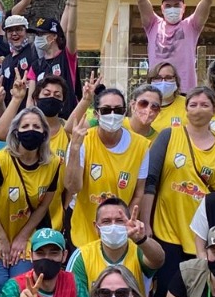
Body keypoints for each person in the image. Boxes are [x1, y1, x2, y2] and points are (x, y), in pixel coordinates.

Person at [140, 86, 215, 297]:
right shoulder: (169, 135)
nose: (198, 109)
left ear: (214, 110)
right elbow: (150, 181)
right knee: (165, 292)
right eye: (193, 104)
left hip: (202, 234)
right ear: (185, 109)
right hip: (167, 230)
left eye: (205, 105)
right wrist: (146, 223)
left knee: (196, 295)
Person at [0, 107, 65, 297]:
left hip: (25, 227)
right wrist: (2, 239)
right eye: (25, 126)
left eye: (36, 126)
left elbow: (43, 206)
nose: (31, 130)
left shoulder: (54, 163)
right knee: (0, 282)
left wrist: (22, 237)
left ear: (44, 133)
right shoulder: (0, 161)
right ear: (16, 132)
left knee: (19, 282)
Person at [65, 87, 151, 248]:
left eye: (118, 110)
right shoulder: (83, 140)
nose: (112, 115)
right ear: (96, 114)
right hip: (83, 229)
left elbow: (138, 193)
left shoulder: (141, 146)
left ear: (125, 112)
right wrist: (75, 149)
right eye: (106, 110)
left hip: (118, 230)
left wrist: (125, 224)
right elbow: (72, 187)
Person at [136, 0, 213, 93]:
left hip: (185, 91)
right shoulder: (153, 24)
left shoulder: (191, 26)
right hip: (157, 90)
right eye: (168, 5)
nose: (172, 8)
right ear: (162, 8)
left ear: (184, 8)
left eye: (177, 5)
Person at [67, 196, 165, 297]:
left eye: (119, 221)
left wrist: (142, 240)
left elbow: (158, 260)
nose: (113, 226)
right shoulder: (82, 256)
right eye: (106, 221)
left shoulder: (140, 250)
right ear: (96, 227)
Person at [0, 74, 72, 168]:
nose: (51, 98)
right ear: (35, 99)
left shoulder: (69, 130)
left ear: (63, 103)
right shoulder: (25, 126)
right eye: (46, 94)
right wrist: (17, 98)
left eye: (57, 95)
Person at [30, 16, 78, 98]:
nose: (37, 38)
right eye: (37, 34)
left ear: (54, 36)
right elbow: (31, 99)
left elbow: (70, 31)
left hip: (67, 106)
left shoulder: (66, 56)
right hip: (43, 107)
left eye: (41, 34)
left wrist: (72, 7)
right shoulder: (36, 65)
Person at [146, 62, 187, 133]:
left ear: (176, 80)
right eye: (158, 78)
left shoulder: (188, 104)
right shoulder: (143, 106)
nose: (163, 82)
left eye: (168, 78)